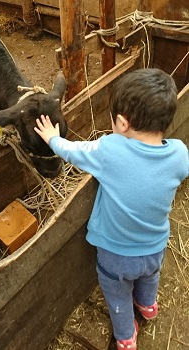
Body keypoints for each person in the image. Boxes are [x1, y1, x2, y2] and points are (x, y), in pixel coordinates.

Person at [34, 68, 189, 350]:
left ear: (121, 123)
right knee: (149, 277)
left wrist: (52, 139)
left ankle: (126, 336)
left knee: (117, 296)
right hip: (155, 247)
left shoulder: (110, 149)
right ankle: (148, 306)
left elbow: (73, 151)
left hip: (116, 256)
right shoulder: (179, 153)